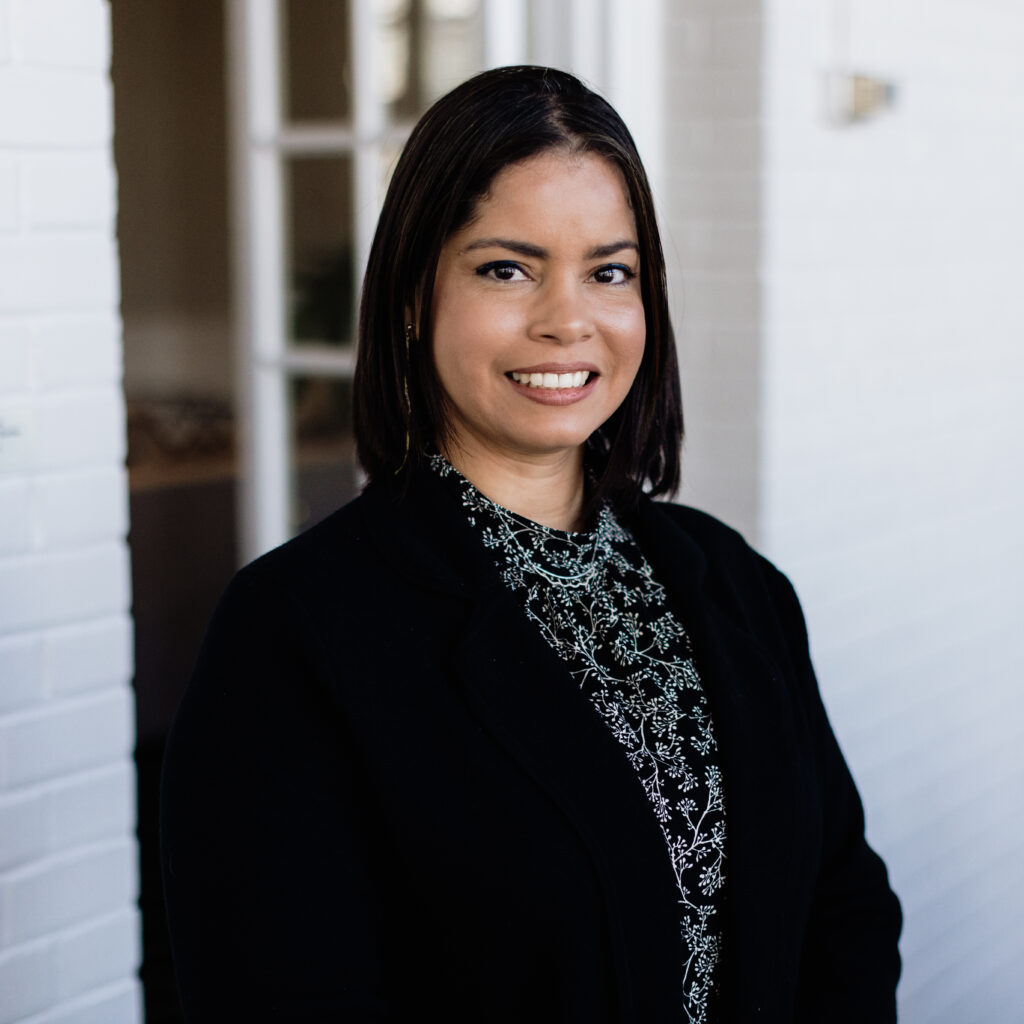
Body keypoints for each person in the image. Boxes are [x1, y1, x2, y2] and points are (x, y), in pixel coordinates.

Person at [160, 65, 901, 1022]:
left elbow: (843, 904)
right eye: (507, 268)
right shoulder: (295, 633)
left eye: (609, 271)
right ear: (415, 297)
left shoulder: (735, 583)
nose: (567, 319)